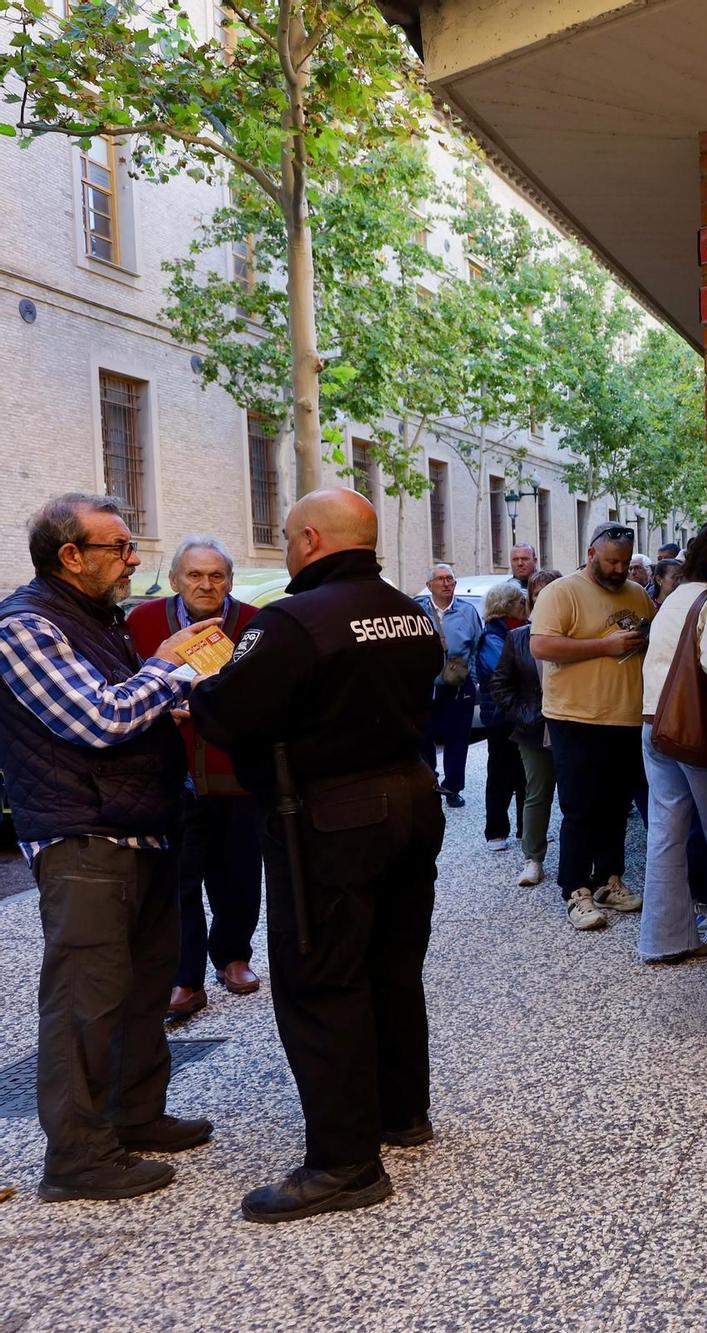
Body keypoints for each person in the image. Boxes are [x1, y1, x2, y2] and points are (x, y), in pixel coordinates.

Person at [190, 488, 446, 1223]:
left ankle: (344, 1162)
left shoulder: (293, 620)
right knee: (393, 965)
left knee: (321, 979)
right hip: (411, 800)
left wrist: (205, 687)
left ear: (307, 539)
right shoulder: (409, 610)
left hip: (331, 816)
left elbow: (227, 713)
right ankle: (402, 1113)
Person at [0, 493, 219, 1202]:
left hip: (144, 827)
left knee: (141, 988)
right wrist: (170, 667)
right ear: (70, 556)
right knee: (82, 1003)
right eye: (118, 548)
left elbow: (128, 704)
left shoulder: (101, 619)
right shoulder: (23, 626)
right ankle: (77, 1157)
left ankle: (135, 1114)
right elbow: (98, 717)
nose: (132, 561)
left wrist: (166, 689)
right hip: (84, 837)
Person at [127, 535, 264, 1023]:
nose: (206, 584)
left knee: (240, 873)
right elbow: (126, 690)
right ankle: (184, 978)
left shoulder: (254, 624)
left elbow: (267, 692)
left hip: (236, 771)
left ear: (230, 579)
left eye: (217, 575)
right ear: (175, 579)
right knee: (178, 879)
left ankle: (233, 956)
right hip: (171, 774)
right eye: (195, 575)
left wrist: (218, 706)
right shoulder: (141, 622)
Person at [530, 521, 654, 930]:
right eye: (611, 561)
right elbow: (541, 645)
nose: (618, 569)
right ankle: (574, 889)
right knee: (581, 807)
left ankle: (608, 879)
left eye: (623, 562)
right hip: (575, 718)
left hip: (625, 717)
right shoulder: (561, 592)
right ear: (591, 554)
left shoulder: (637, 595)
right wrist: (605, 645)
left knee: (617, 807)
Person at [637, 525, 707, 965]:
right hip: (692, 729)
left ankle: (664, 939)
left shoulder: (674, 595)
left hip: (654, 724)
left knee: (665, 831)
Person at [492, 570, 559, 888]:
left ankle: (583, 862)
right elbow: (500, 684)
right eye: (537, 595)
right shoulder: (518, 638)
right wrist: (523, 714)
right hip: (533, 728)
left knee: (577, 796)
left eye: (550, 593)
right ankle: (533, 858)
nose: (542, 600)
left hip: (571, 725)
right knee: (537, 792)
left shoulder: (572, 636)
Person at [417, 563, 481, 808]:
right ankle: (428, 782)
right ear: (429, 585)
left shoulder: (467, 612)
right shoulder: (418, 611)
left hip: (458, 686)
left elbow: (477, 644)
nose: (446, 583)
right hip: (426, 686)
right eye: (441, 579)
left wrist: (471, 678)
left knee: (457, 739)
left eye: (450, 579)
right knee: (424, 737)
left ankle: (453, 787)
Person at [474, 582, 529, 852]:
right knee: (500, 774)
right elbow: (506, 672)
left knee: (525, 774)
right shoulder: (492, 636)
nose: (525, 605)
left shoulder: (517, 629)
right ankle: (495, 831)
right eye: (520, 601)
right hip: (501, 716)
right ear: (507, 605)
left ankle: (525, 829)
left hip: (520, 714)